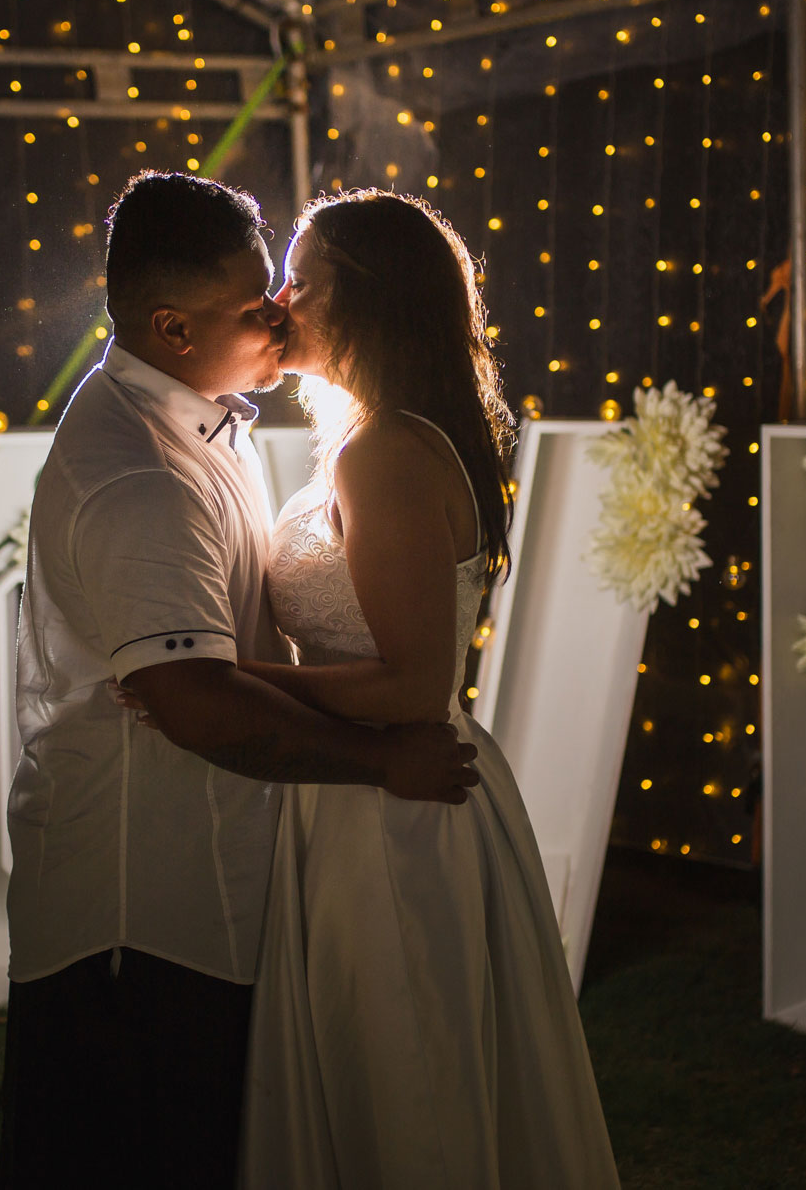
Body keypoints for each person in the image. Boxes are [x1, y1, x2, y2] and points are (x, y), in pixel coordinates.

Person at [0, 172, 479, 1189]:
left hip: (227, 873)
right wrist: (378, 759)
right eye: (253, 303)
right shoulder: (142, 474)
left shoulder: (205, 418)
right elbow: (190, 701)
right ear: (173, 330)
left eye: (283, 288)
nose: (277, 314)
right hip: (144, 911)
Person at [235, 190, 622, 1187]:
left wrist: (229, 679)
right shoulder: (369, 439)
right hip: (356, 799)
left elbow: (410, 686)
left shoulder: (387, 454)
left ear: (365, 302)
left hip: (391, 813)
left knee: (406, 1084)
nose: (278, 299)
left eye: (301, 281)